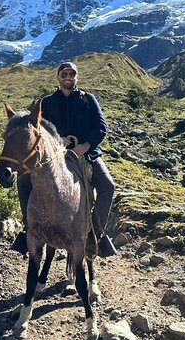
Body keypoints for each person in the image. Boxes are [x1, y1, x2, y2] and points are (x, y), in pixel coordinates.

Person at [13, 62, 116, 257]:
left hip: (86, 154)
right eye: (64, 74)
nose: (68, 77)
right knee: (23, 181)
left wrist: (84, 146)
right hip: (53, 156)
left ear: (77, 77)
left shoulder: (89, 99)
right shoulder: (47, 102)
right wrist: (57, 140)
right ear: (58, 77)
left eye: (71, 74)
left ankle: (95, 234)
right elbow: (35, 128)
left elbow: (101, 127)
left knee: (107, 186)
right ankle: (28, 229)